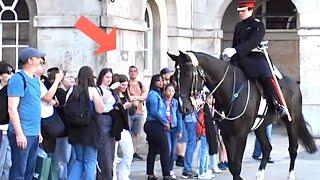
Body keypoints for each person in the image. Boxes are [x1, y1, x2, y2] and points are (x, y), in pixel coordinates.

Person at [221, 0, 287, 118]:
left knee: (266, 74)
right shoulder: (238, 26)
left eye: (243, 11)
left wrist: (236, 50)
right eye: (239, 11)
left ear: (251, 10)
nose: (240, 14)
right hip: (239, 58)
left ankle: (276, 103)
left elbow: (253, 42)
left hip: (254, 57)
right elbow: (235, 43)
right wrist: (232, 52)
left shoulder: (258, 25)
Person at [7, 47, 45, 179]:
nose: (40, 60)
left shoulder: (35, 80)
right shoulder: (18, 79)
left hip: (33, 133)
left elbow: (34, 107)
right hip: (23, 133)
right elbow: (12, 108)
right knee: (19, 173)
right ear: (29, 60)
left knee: (29, 173)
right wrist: (19, 133)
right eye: (37, 58)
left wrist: (38, 131)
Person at [67, 66, 104, 180]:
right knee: (90, 161)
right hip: (90, 130)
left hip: (75, 129)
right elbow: (100, 109)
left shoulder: (72, 90)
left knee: (79, 160)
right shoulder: (93, 90)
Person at [144, 74, 176, 180]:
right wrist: (165, 122)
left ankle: (150, 174)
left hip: (155, 124)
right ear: (154, 82)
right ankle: (166, 174)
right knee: (165, 148)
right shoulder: (153, 94)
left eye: (162, 80)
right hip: (153, 123)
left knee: (153, 149)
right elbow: (155, 111)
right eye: (158, 80)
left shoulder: (158, 94)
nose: (161, 82)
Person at [112, 74, 134, 180]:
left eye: (126, 85)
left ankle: (124, 175)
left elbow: (131, 112)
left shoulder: (126, 96)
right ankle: (114, 176)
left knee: (129, 152)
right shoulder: (113, 95)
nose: (124, 87)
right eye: (122, 85)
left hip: (124, 127)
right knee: (113, 155)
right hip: (115, 127)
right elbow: (114, 110)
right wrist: (123, 107)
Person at [96, 68, 116, 180]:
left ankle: (109, 175)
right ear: (102, 77)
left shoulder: (110, 90)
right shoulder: (98, 89)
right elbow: (100, 104)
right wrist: (110, 90)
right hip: (102, 119)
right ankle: (104, 176)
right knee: (104, 151)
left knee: (111, 151)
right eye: (107, 77)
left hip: (111, 119)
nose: (109, 79)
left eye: (110, 77)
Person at [127, 66, 147, 161]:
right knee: (129, 132)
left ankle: (135, 151)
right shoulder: (127, 84)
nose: (133, 73)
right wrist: (138, 97)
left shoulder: (140, 84)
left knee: (136, 133)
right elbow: (129, 98)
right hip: (129, 111)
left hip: (139, 112)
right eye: (131, 71)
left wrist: (135, 97)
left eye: (135, 71)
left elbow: (144, 97)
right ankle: (129, 152)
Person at [163, 83, 182, 178]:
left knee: (173, 151)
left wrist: (180, 129)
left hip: (174, 127)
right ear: (165, 91)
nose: (171, 93)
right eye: (169, 90)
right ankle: (166, 170)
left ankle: (170, 170)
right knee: (168, 149)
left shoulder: (175, 102)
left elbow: (179, 116)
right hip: (165, 128)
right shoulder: (161, 101)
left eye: (173, 91)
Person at [0, 63, 14, 180]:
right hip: (1, 131)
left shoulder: (10, 89)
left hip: (9, 130)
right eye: (8, 73)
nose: (12, 75)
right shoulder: (4, 90)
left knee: (8, 164)